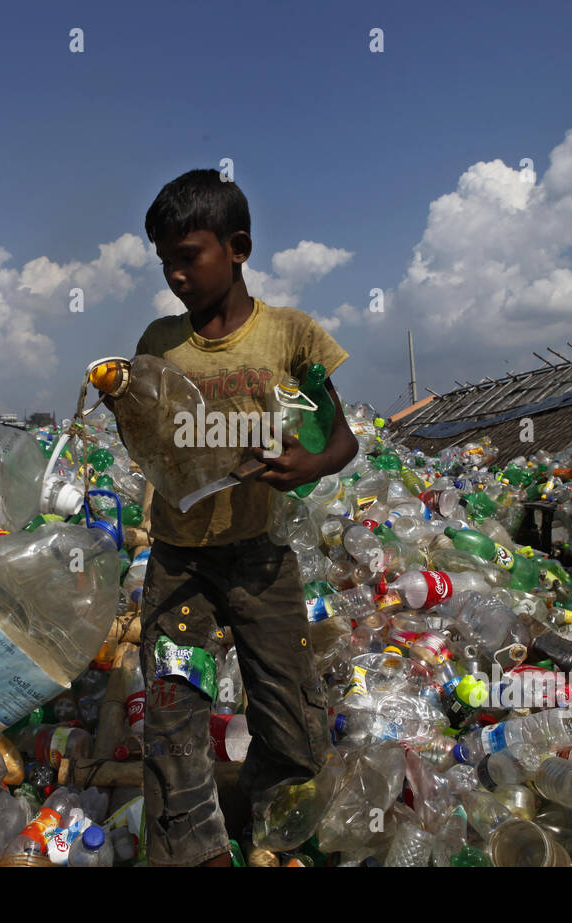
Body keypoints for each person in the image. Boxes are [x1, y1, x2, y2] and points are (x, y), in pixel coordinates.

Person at [122, 169, 358, 866]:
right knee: (172, 708)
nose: (176, 275)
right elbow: (151, 439)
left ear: (239, 247)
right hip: (179, 558)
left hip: (260, 553)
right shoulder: (160, 343)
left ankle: (276, 829)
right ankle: (190, 849)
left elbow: (338, 437)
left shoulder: (289, 337)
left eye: (189, 256)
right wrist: (124, 403)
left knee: (288, 709)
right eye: (165, 260)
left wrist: (306, 465)